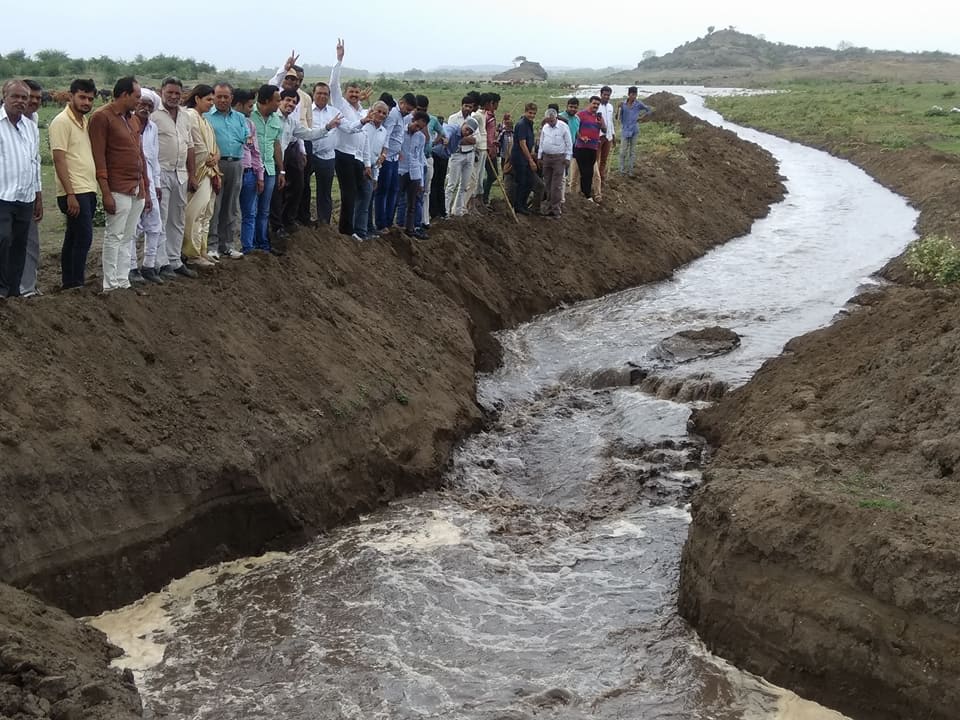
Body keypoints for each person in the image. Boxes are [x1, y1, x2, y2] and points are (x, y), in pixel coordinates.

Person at [89, 76, 151, 292]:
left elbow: (140, 155)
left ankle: (123, 280)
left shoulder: (133, 119)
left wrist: (146, 187)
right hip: (117, 187)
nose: (139, 102)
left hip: (136, 186)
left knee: (128, 235)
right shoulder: (101, 118)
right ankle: (110, 284)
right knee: (114, 235)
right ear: (124, 95)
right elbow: (99, 158)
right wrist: (105, 192)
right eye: (136, 97)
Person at [48, 78, 98, 290]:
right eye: (82, 97)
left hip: (87, 188)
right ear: (71, 96)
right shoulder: (61, 122)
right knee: (84, 237)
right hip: (74, 190)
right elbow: (59, 159)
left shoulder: (84, 121)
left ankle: (69, 282)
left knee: (74, 236)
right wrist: (70, 194)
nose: (86, 102)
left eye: (90, 99)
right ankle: (76, 282)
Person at [152, 77, 198, 279]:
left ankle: (174, 260)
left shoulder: (186, 117)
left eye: (177, 93)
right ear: (162, 91)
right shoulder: (154, 114)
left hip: (181, 173)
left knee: (177, 218)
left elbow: (189, 146)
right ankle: (159, 262)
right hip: (161, 171)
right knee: (160, 218)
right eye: (169, 92)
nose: (173, 96)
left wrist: (193, 174)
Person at [0, 80, 42, 298]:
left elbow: (35, 162)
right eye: (15, 96)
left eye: (24, 98)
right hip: (2, 196)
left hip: (25, 198)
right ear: (4, 96)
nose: (20, 101)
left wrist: (38, 195)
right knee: (3, 239)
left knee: (19, 245)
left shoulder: (31, 127)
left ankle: (15, 292)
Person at [330, 39, 374, 236]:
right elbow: (333, 85)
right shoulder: (341, 105)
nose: (354, 94)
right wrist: (339, 60)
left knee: (356, 194)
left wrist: (366, 162)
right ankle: (346, 232)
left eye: (357, 92)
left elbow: (364, 137)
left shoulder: (360, 111)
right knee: (348, 195)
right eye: (351, 92)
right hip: (342, 155)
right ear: (345, 93)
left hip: (356, 157)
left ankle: (356, 229)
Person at [206, 82, 248, 260]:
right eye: (219, 96)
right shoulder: (206, 117)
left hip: (236, 163)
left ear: (232, 98)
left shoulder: (239, 117)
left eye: (226, 96)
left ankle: (228, 244)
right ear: (213, 96)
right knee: (214, 205)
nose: (222, 100)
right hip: (215, 165)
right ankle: (212, 245)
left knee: (231, 206)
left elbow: (245, 137)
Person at [181, 84, 221, 267]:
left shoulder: (204, 120)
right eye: (209, 100)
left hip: (210, 171)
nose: (212, 104)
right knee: (195, 213)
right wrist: (208, 160)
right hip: (200, 171)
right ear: (197, 98)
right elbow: (196, 145)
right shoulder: (190, 116)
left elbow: (213, 146)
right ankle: (191, 253)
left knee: (206, 212)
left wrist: (216, 157)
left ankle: (202, 249)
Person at [130, 88, 164, 284]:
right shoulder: (128, 124)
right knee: (133, 226)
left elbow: (154, 158)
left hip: (151, 179)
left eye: (149, 106)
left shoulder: (152, 128)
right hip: (132, 179)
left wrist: (156, 184)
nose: (145, 108)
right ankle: (132, 267)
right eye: (142, 104)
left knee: (154, 224)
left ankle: (149, 265)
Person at [250, 84, 285, 253]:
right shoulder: (249, 116)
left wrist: (281, 170)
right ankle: (249, 245)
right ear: (265, 100)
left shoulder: (276, 120)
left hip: (270, 170)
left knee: (264, 210)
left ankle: (263, 244)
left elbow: (276, 145)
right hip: (251, 169)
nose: (280, 103)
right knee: (251, 210)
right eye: (277, 100)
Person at [19, 79, 44, 296]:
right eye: (30, 97)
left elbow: (35, 161)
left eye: (37, 97)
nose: (34, 101)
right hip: (6, 194)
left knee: (30, 243)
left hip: (27, 192)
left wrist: (38, 194)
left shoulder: (33, 120)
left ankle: (27, 287)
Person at [232, 89, 264, 255]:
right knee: (231, 212)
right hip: (233, 172)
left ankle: (248, 247)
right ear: (239, 104)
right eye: (250, 106)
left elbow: (255, 151)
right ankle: (231, 247)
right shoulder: (227, 122)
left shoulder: (250, 124)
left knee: (249, 213)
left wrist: (259, 175)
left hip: (249, 173)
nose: (252, 109)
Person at [354, 100, 388, 241]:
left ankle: (364, 230)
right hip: (359, 165)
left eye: (384, 113)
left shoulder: (384, 131)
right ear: (372, 110)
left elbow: (380, 154)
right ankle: (355, 230)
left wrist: (376, 177)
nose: (380, 115)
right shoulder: (364, 125)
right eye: (378, 111)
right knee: (358, 200)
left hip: (372, 169)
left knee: (367, 201)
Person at [309, 82, 341, 226]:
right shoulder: (306, 110)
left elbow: (347, 127)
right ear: (313, 94)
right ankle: (302, 220)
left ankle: (324, 224)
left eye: (325, 94)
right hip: (308, 155)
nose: (322, 96)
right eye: (319, 93)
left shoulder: (335, 112)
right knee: (302, 188)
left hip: (327, 156)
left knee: (325, 192)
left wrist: (361, 122)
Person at [397, 111, 430, 239]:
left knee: (412, 203)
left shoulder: (420, 137)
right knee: (398, 200)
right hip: (400, 170)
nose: (417, 129)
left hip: (415, 173)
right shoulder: (400, 133)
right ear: (412, 120)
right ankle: (396, 226)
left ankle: (409, 229)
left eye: (420, 128)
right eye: (416, 125)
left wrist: (421, 181)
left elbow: (420, 158)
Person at [444, 97, 477, 217]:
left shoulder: (473, 120)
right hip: (456, 154)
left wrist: (463, 138)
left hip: (470, 154)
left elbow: (474, 140)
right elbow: (453, 138)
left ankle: (457, 212)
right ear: (462, 105)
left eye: (470, 106)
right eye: (466, 106)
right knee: (451, 184)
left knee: (464, 186)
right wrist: (463, 139)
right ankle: (446, 212)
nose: (468, 108)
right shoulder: (453, 118)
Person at [538, 108, 572, 218]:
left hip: (559, 159)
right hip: (547, 158)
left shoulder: (563, 127)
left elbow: (568, 143)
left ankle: (556, 209)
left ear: (556, 118)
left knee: (556, 185)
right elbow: (542, 142)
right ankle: (548, 207)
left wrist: (567, 157)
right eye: (548, 120)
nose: (550, 123)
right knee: (547, 183)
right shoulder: (545, 127)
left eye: (552, 120)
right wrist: (539, 157)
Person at [574, 96, 605, 202]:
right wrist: (581, 137)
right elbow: (575, 128)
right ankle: (585, 195)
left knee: (590, 173)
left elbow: (604, 130)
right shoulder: (581, 115)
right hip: (581, 148)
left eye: (597, 104)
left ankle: (586, 194)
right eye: (594, 103)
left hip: (593, 148)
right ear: (590, 103)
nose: (595, 106)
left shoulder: (599, 117)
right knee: (583, 173)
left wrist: (601, 124)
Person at [510, 102, 538, 215]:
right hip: (519, 157)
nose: (531, 115)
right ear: (525, 111)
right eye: (530, 113)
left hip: (525, 157)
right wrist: (530, 160)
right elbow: (522, 143)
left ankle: (523, 204)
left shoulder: (529, 124)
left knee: (529, 182)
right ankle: (518, 206)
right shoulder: (521, 124)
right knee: (522, 182)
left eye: (534, 113)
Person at [618, 87, 652, 175]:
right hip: (625, 130)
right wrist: (618, 108)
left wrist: (641, 117)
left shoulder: (638, 104)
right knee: (623, 151)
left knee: (632, 152)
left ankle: (630, 171)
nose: (634, 96)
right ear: (628, 94)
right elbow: (617, 117)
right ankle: (621, 170)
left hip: (634, 130)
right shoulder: (623, 104)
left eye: (635, 95)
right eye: (632, 94)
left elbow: (648, 109)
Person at [597, 85, 615, 181]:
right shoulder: (597, 106)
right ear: (601, 94)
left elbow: (610, 122)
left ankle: (601, 176)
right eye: (605, 95)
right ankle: (595, 178)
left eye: (608, 95)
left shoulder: (610, 107)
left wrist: (613, 135)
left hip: (608, 137)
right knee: (596, 159)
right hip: (598, 136)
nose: (606, 97)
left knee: (604, 159)